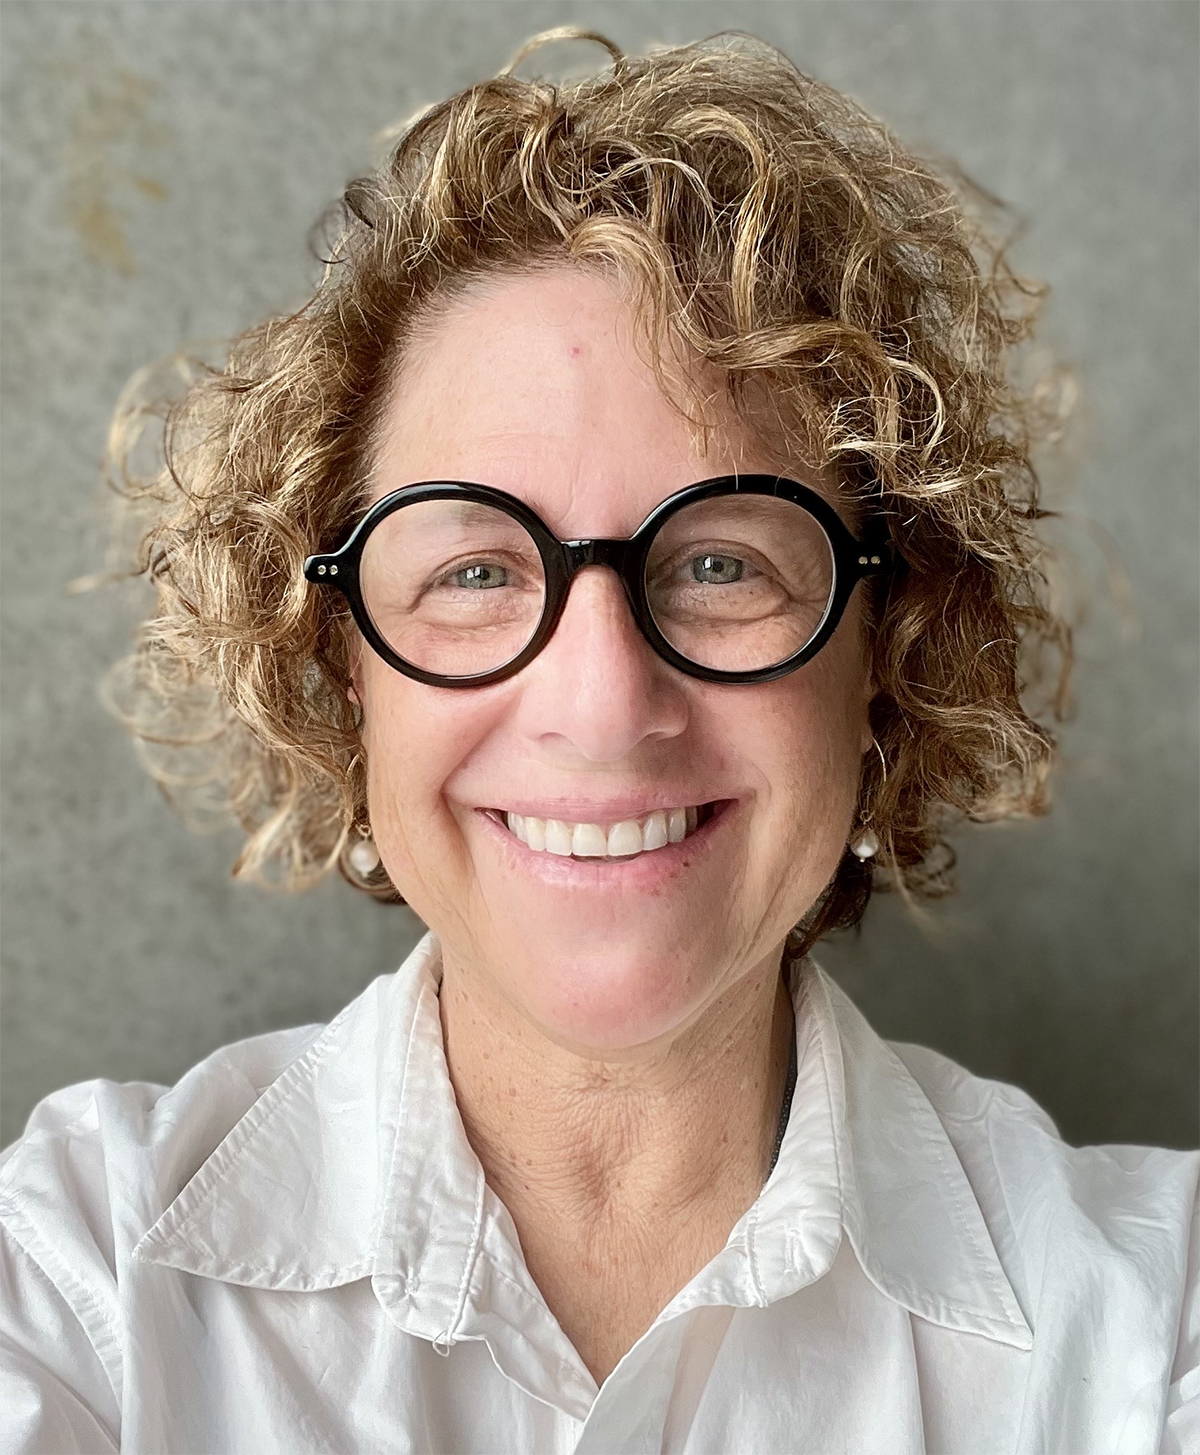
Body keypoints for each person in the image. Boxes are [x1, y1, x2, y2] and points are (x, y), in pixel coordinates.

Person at [1, 26, 1195, 1455]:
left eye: (721, 564)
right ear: (339, 671)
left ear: (890, 652)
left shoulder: (1154, 1322)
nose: (604, 702)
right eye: (475, 572)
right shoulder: (72, 1284)